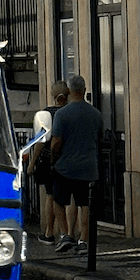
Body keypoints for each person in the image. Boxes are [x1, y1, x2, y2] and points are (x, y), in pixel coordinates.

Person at [50, 74, 103, 255]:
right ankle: (83, 240)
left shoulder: (62, 114)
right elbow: (99, 137)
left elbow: (56, 141)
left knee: (58, 201)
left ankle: (66, 235)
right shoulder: (96, 114)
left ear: (69, 91)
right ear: (84, 90)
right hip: (88, 167)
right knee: (85, 204)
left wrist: (53, 158)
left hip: (65, 166)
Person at [26, 80, 69, 243]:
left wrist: (32, 162)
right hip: (69, 160)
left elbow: (40, 141)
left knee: (50, 196)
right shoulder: (71, 112)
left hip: (50, 161)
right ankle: (70, 233)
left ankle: (49, 232)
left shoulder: (47, 113)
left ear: (52, 94)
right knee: (69, 198)